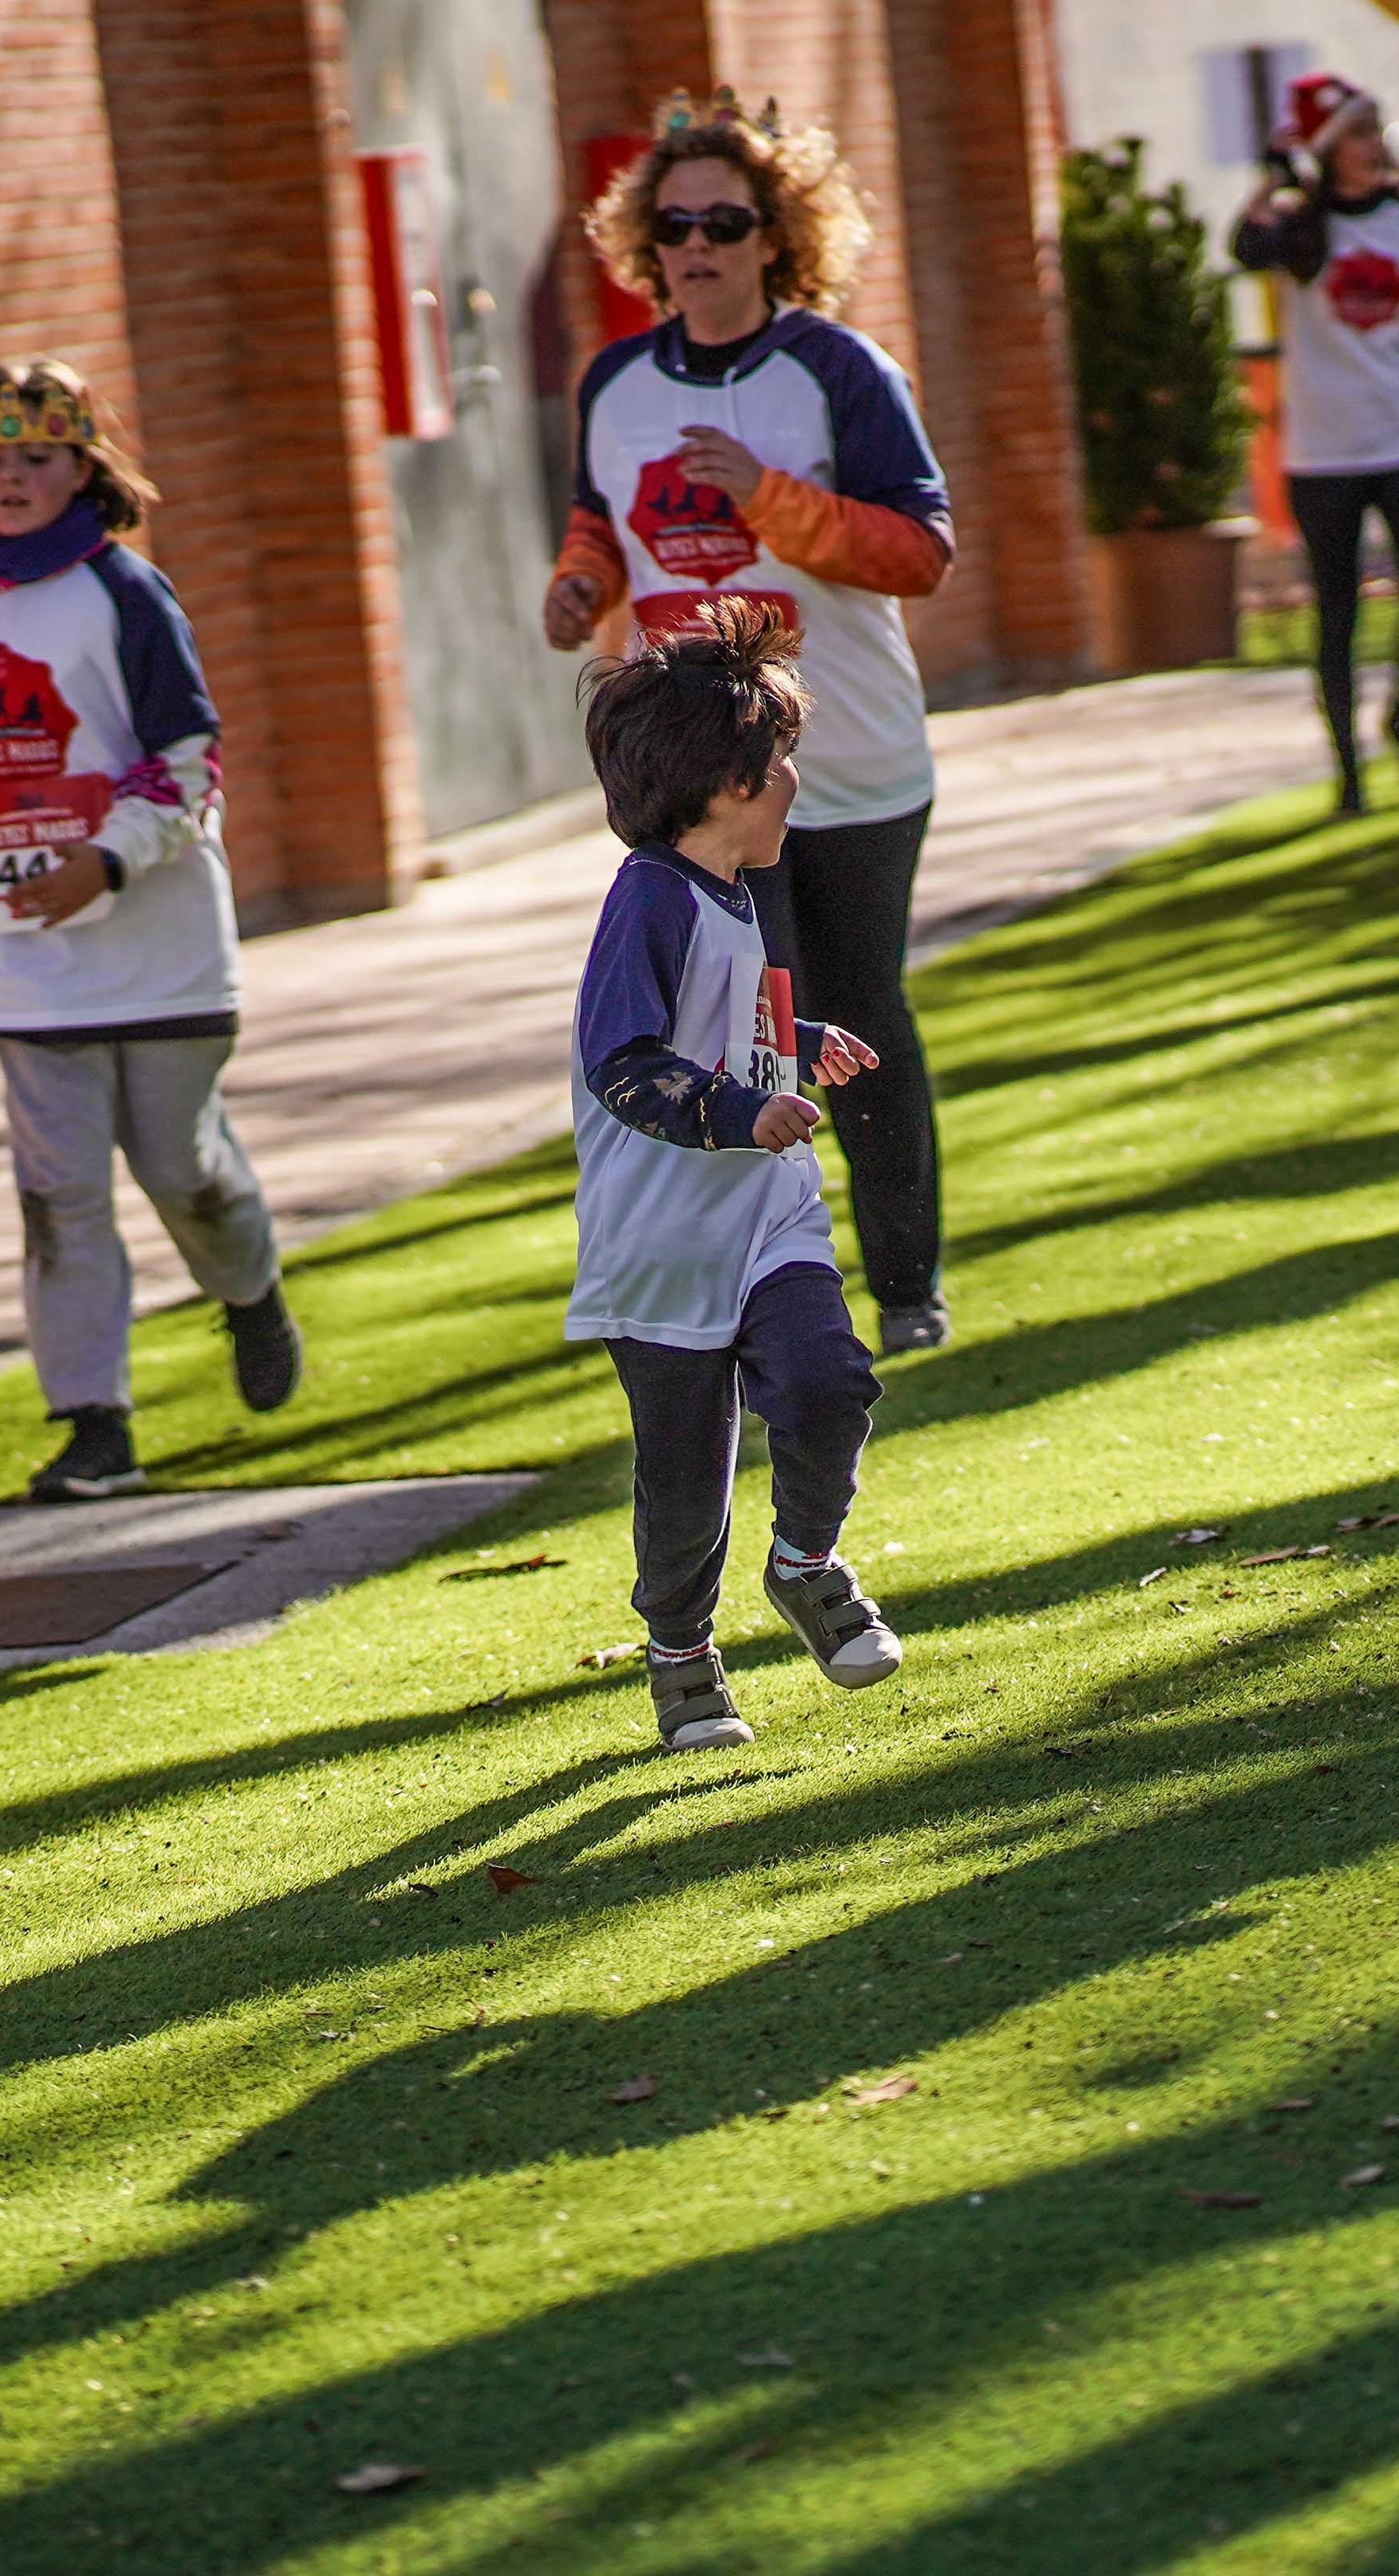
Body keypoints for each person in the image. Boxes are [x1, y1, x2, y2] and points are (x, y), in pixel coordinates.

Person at [543, 93, 960, 1357]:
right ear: (645, 244)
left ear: (775, 233)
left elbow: (922, 552)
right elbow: (602, 529)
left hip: (853, 759)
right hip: (701, 785)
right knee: (735, 1035)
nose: (699, 244)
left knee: (855, 1018)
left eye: (727, 219)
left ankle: (906, 1289)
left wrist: (769, 502)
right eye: (675, 225)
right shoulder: (615, 382)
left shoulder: (836, 368)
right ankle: (774, 1297)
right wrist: (581, 583)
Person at [0, 361, 300, 1503]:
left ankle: (250, 1293)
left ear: (84, 469)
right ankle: (93, 1424)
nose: (12, 479)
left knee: (182, 1169)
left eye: (38, 457)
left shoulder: (129, 595)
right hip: (28, 967)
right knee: (57, 1197)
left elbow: (187, 765)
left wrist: (106, 857)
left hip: (160, 949)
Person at [563, 605, 904, 1751]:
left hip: (765, 1217)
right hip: (658, 1248)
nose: (795, 782)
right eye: (780, 764)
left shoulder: (733, 888)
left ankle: (806, 1565)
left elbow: (726, 1026)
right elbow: (624, 1063)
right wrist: (740, 1110)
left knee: (829, 1387)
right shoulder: (647, 900)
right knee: (682, 1483)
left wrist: (797, 1046)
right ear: (724, 783)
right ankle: (681, 1657)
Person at [1231, 71, 1399, 810]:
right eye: (1357, 134)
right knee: (1339, 613)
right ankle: (1348, 772)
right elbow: (1244, 245)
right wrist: (1275, 174)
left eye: (1376, 131)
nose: (1373, 146)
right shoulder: (1304, 228)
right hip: (1324, 451)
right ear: (1330, 149)